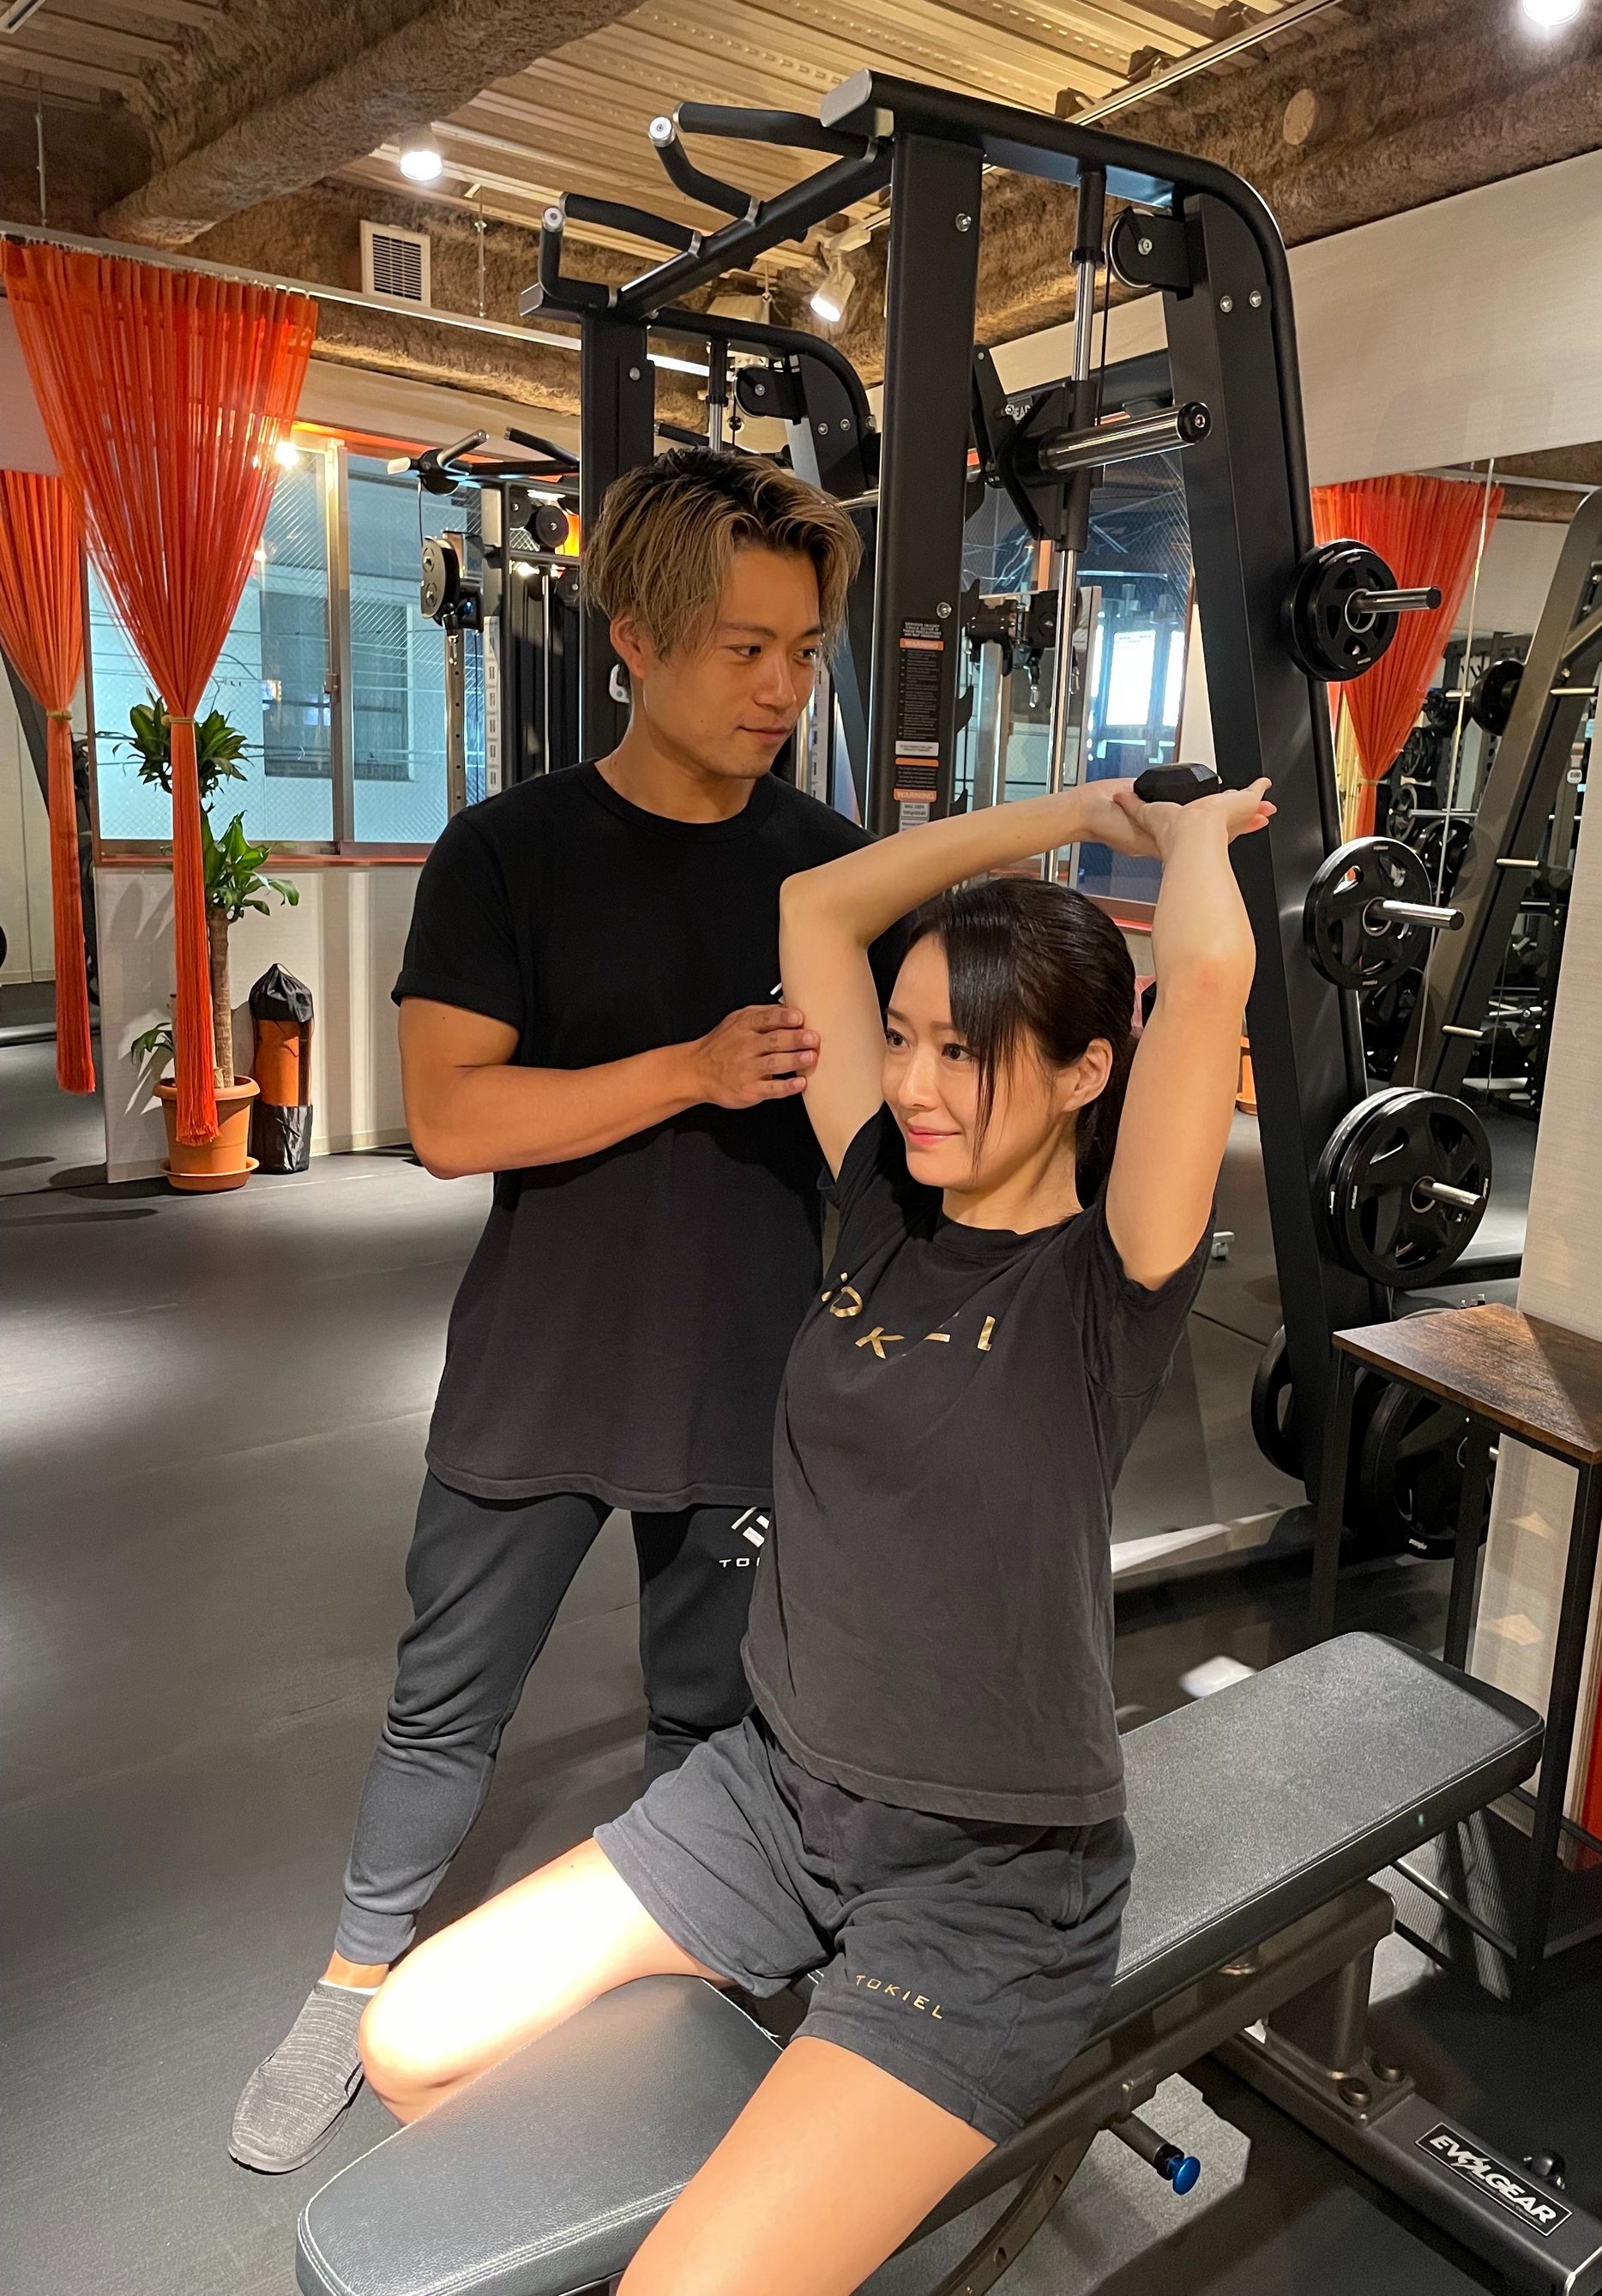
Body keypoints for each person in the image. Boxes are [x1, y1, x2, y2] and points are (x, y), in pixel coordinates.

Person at [354, 762, 1271, 2294]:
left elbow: (1212, 974)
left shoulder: (1106, 1282)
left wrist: (1186, 841)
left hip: (983, 1879)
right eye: (900, 1038)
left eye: (965, 1053)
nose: (913, 1084)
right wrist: (1077, 809)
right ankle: (749, 2190)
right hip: (773, 1799)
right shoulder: (880, 1206)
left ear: (1084, 1074)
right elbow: (815, 908)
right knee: (408, 2043)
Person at [230, 448, 888, 2174]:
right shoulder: (505, 853)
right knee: (445, 1699)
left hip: (746, 1364)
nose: (780, 688)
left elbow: (891, 1116)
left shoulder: (829, 872)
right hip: (543, 1357)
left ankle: (672, 1964)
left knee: (705, 1708)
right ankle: (351, 1974)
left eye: (801, 652)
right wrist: (690, 1068)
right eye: (742, 649)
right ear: (634, 642)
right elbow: (452, 1119)